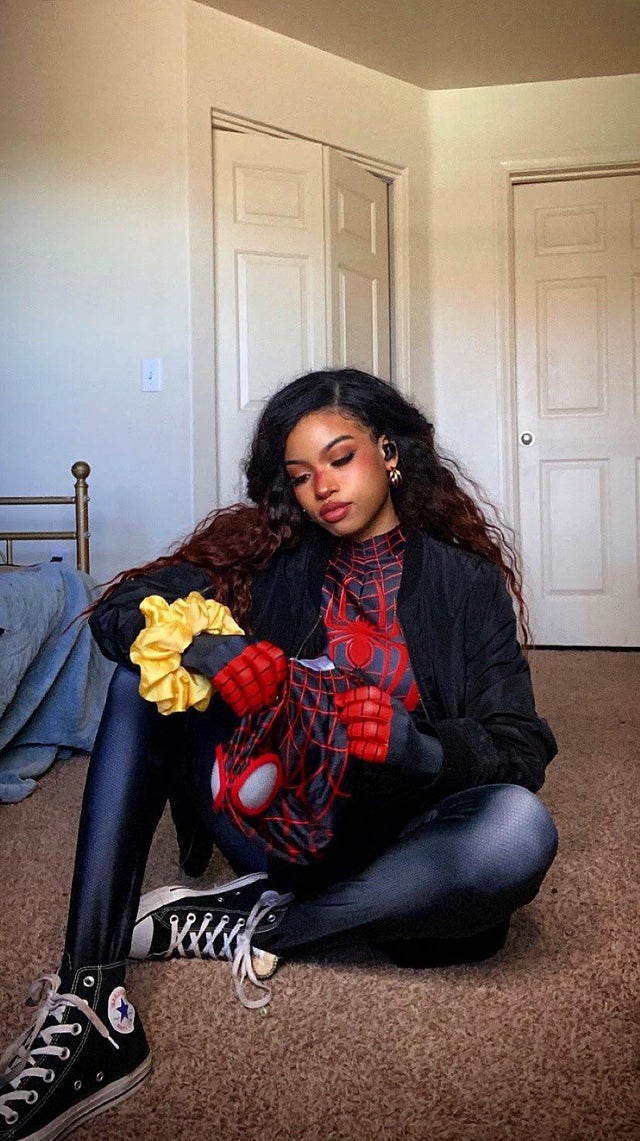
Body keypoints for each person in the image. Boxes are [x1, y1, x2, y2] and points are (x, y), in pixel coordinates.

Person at [0, 368, 558, 1140]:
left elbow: (521, 745)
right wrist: (208, 648)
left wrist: (422, 748)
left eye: (340, 457)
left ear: (389, 452)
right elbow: (117, 612)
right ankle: (92, 1000)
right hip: (273, 820)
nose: (322, 486)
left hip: (398, 846)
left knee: (518, 829)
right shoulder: (270, 553)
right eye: (300, 474)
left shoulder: (466, 584)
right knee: (144, 675)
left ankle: (257, 923)